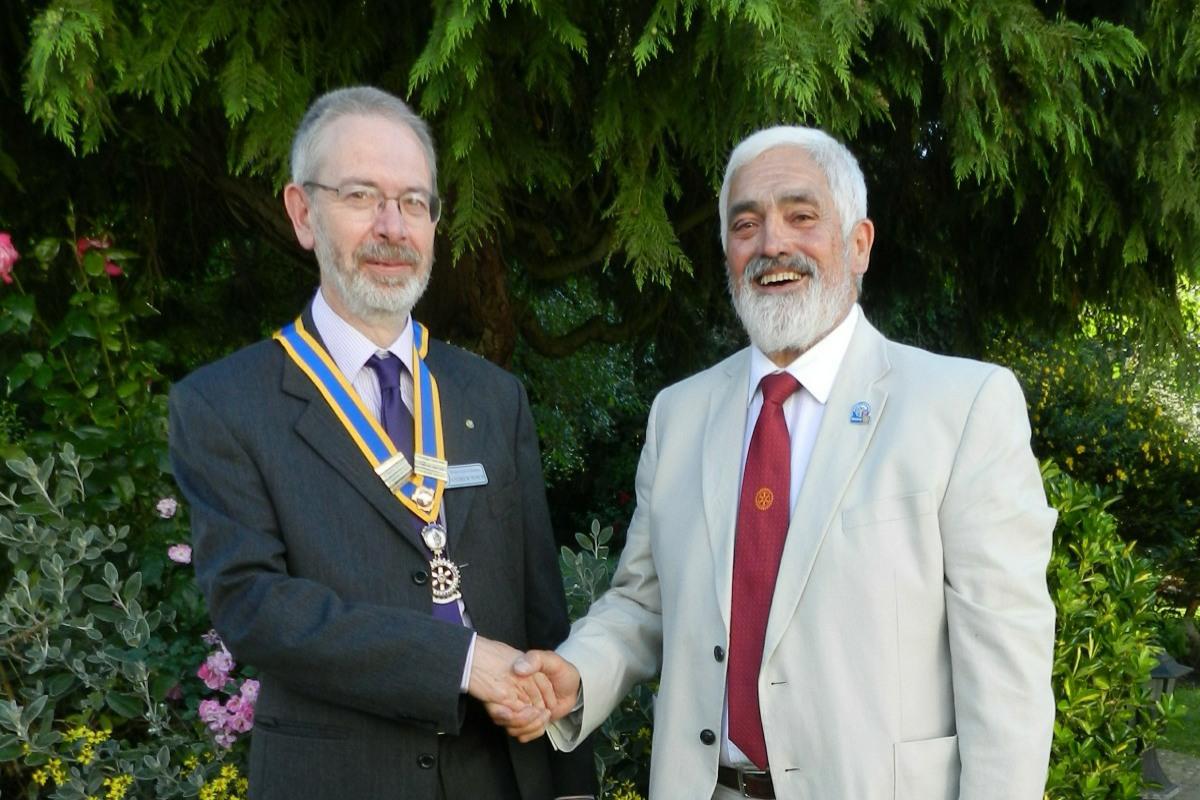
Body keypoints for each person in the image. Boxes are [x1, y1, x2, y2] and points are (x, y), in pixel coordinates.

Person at [495, 126, 1057, 800]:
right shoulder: (680, 414)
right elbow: (643, 602)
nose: (772, 244)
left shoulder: (962, 408)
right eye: (746, 225)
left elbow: (1007, 676)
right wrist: (578, 673)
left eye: (801, 215)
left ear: (859, 244)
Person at [169, 86, 594, 800]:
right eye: (362, 196)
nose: (393, 228)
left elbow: (542, 615)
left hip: (501, 779)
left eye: (415, 202)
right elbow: (253, 608)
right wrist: (460, 662)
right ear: (303, 214)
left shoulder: (492, 396)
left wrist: (573, 782)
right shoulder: (223, 404)